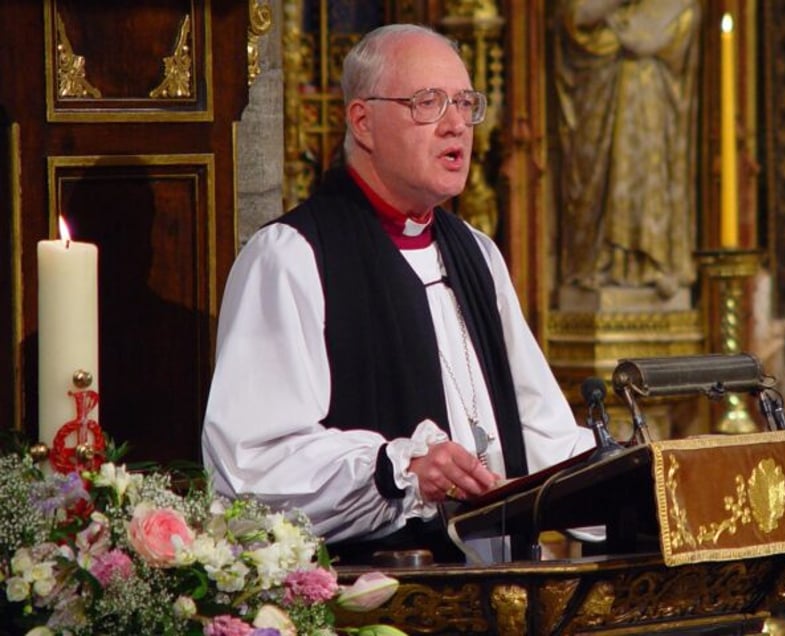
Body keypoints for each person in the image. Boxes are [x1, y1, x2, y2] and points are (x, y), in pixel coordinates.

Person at [202, 23, 595, 564]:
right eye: (428, 103)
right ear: (362, 121)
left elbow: (539, 431)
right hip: (376, 598)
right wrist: (399, 469)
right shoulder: (291, 257)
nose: (456, 124)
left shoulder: (476, 253)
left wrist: (639, 472)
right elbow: (252, 465)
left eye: (465, 103)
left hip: (502, 588)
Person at [553, 0, 700, 298]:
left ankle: (652, 263)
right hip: (598, 92)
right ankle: (600, 261)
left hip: (651, 93)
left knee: (649, 174)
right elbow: (573, 18)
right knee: (598, 180)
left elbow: (681, 23)